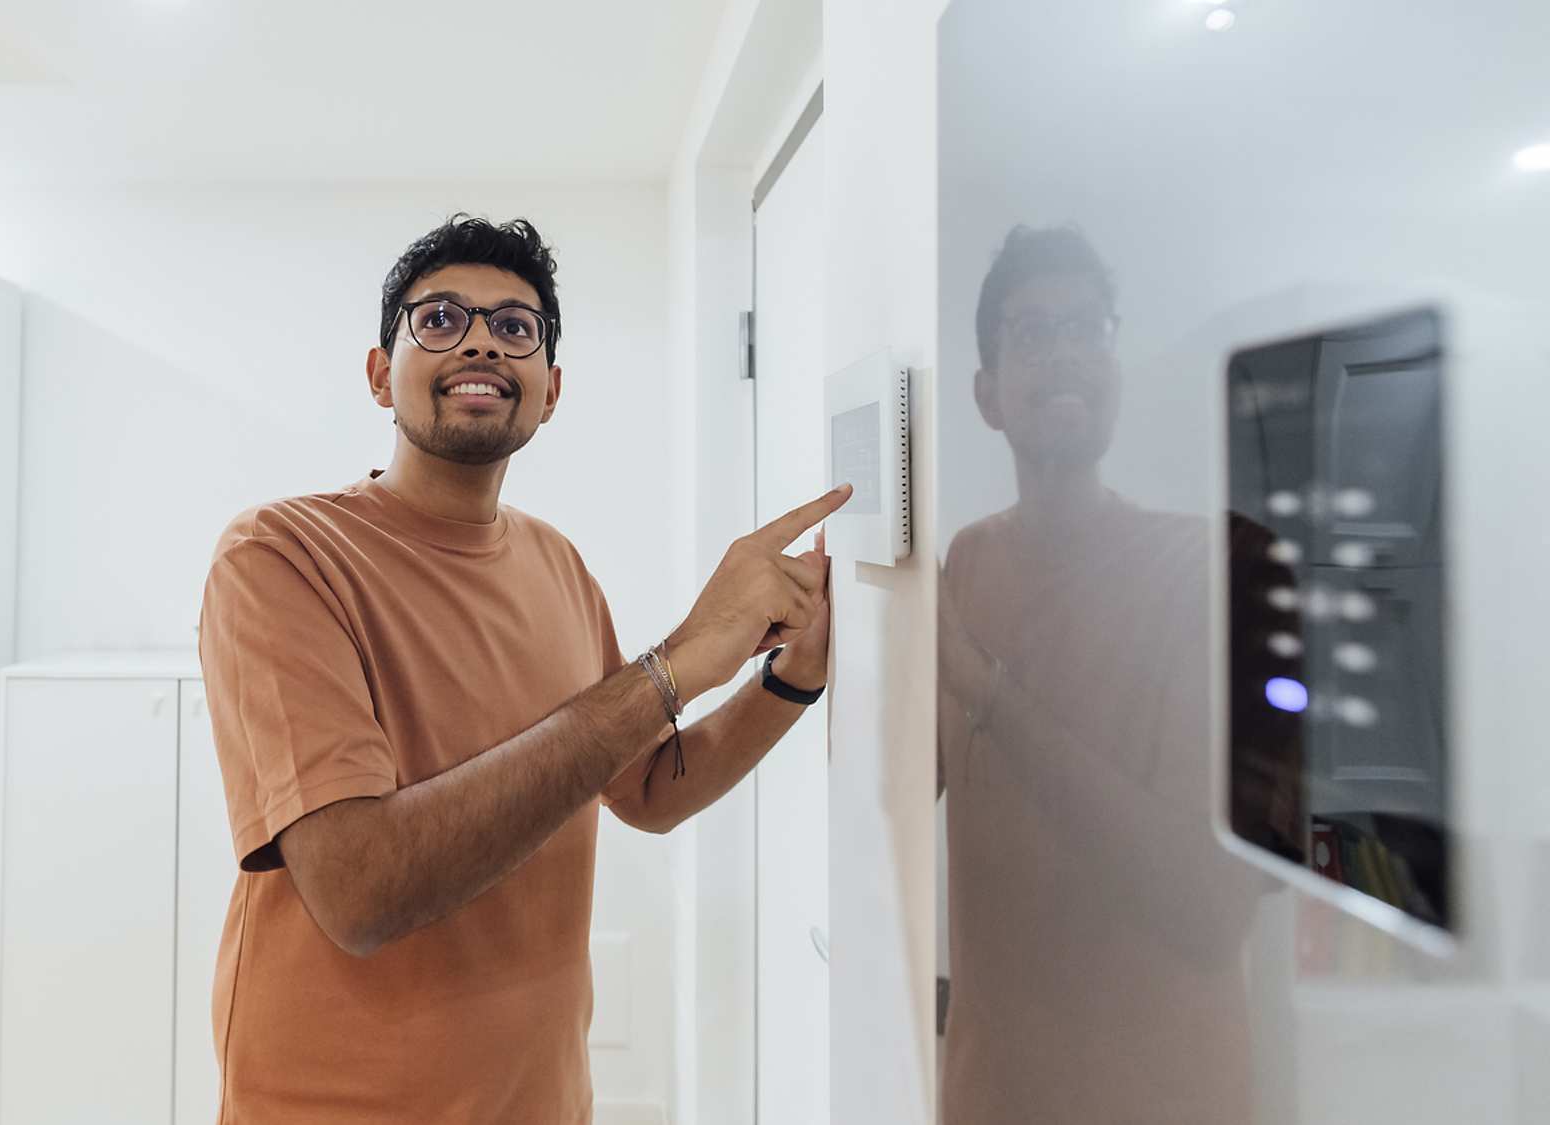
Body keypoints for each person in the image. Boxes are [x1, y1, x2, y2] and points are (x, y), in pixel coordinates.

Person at [197, 214, 850, 1122]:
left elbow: (648, 787)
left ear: (549, 390)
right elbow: (359, 889)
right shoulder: (283, 555)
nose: (478, 340)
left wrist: (792, 681)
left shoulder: (559, 566)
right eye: (439, 319)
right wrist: (675, 667)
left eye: (515, 327)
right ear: (382, 376)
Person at [936, 225, 1299, 1123]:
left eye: (1087, 327)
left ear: (1116, 366)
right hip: (993, 1094)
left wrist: (988, 693)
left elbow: (1211, 906)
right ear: (987, 394)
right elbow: (907, 783)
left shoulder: (1209, 571)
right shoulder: (966, 563)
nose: (1064, 352)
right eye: (1032, 333)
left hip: (1166, 1099)